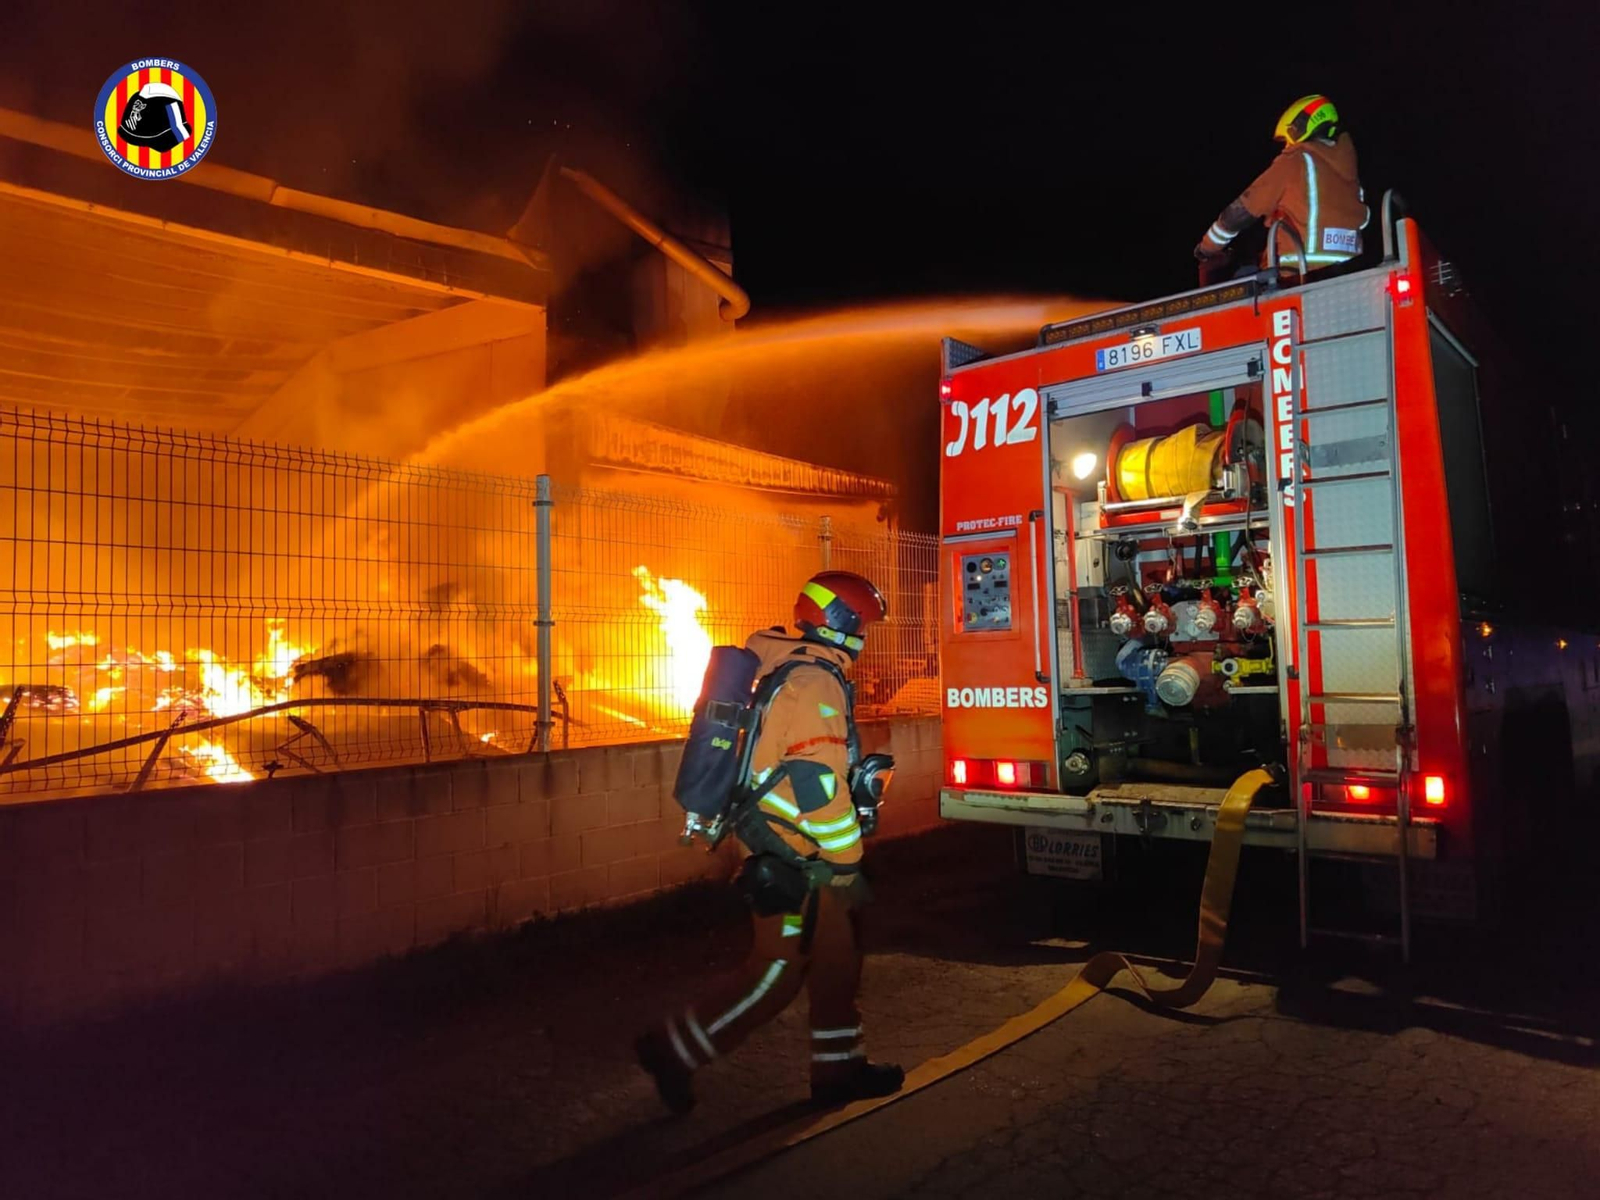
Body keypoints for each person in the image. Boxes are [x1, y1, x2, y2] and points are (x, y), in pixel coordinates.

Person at [636, 571, 905, 1112]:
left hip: (802, 850)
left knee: (836, 958)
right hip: (795, 854)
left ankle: (840, 1072)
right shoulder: (816, 682)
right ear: (844, 624)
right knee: (776, 973)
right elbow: (816, 784)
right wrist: (847, 859)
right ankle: (672, 1050)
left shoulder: (789, 667)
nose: (866, 639)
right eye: (863, 627)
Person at [1195, 95, 1370, 285]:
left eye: (1289, 135)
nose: (1287, 144)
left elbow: (1242, 211)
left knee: (1239, 284)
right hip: (1349, 270)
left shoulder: (1295, 161)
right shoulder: (1348, 168)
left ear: (1304, 124)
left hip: (1297, 274)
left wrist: (1207, 247)